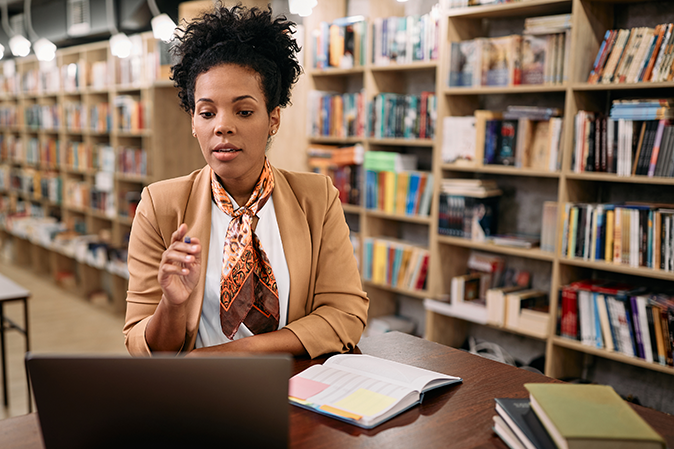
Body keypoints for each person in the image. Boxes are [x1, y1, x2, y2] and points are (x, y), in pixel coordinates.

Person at [123, 4, 368, 358]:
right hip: (199, 395)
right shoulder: (160, 206)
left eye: (244, 111)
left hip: (294, 390)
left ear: (273, 118)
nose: (222, 126)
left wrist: (243, 351)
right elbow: (141, 344)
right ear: (194, 122)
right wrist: (173, 305)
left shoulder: (317, 198)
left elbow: (345, 314)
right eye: (207, 112)